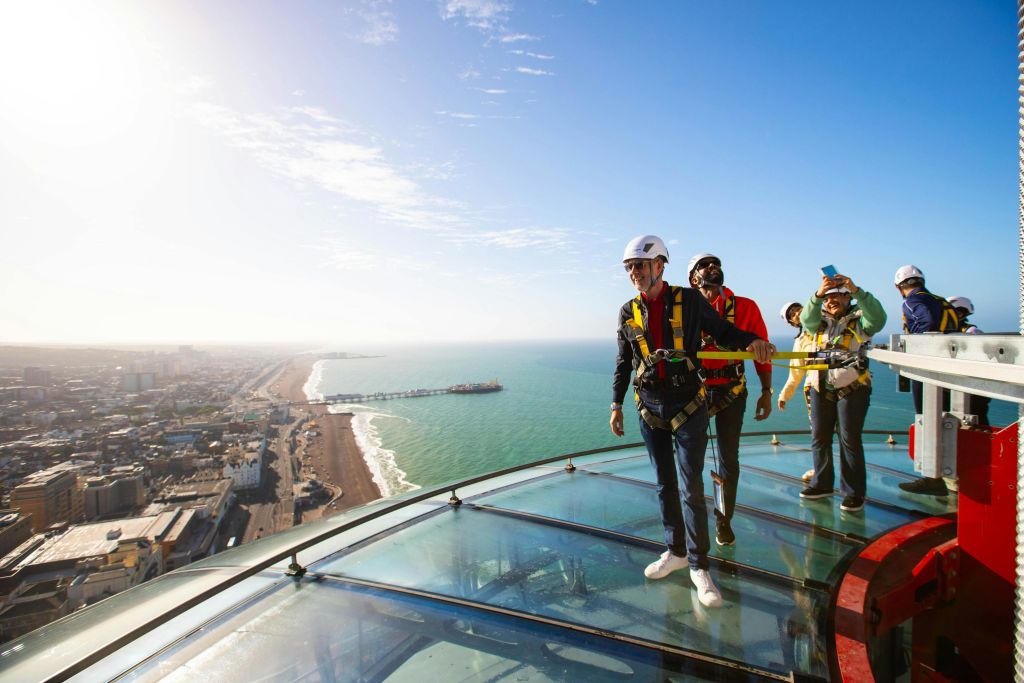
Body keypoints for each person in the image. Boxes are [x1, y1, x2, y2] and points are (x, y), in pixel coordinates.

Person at [611, 235, 773, 608]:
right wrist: (615, 404)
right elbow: (623, 361)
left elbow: (724, 331)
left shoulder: (689, 300)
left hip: (688, 404)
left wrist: (753, 342)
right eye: (630, 267)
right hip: (649, 406)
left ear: (660, 266)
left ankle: (700, 565)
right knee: (664, 485)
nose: (634, 272)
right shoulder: (627, 311)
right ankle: (676, 551)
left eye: (640, 265)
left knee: (690, 485)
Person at [686, 253, 772, 547]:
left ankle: (723, 520)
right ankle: (694, 522)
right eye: (704, 265)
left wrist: (766, 391)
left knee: (728, 460)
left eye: (716, 264)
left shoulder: (745, 307)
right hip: (693, 390)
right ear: (693, 278)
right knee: (691, 459)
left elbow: (762, 350)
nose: (713, 268)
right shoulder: (684, 310)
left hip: (732, 389)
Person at [798, 274, 887, 512]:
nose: (831, 301)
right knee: (820, 437)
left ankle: (853, 492)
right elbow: (806, 319)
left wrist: (857, 289)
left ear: (848, 298)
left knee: (849, 439)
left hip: (852, 386)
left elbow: (878, 319)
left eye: (837, 296)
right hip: (820, 384)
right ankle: (822, 483)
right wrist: (818, 295)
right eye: (828, 298)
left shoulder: (860, 321)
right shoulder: (820, 321)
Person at [894, 265, 960, 496]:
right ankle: (951, 473)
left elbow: (926, 322)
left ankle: (932, 477)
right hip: (951, 366)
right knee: (947, 417)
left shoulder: (912, 301)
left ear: (898, 287)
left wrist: (916, 347)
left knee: (927, 417)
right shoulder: (942, 301)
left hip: (928, 368)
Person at [777, 301, 817, 482]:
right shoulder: (800, 341)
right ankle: (820, 470)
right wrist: (784, 395)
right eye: (791, 314)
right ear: (793, 323)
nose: (796, 314)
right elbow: (795, 372)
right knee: (818, 432)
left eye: (797, 309)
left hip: (840, 381)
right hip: (815, 387)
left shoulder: (826, 326)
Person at [948, 295, 991, 426]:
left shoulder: (972, 332)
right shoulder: (948, 332)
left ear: (960, 313)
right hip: (958, 385)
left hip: (975, 388)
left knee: (977, 422)